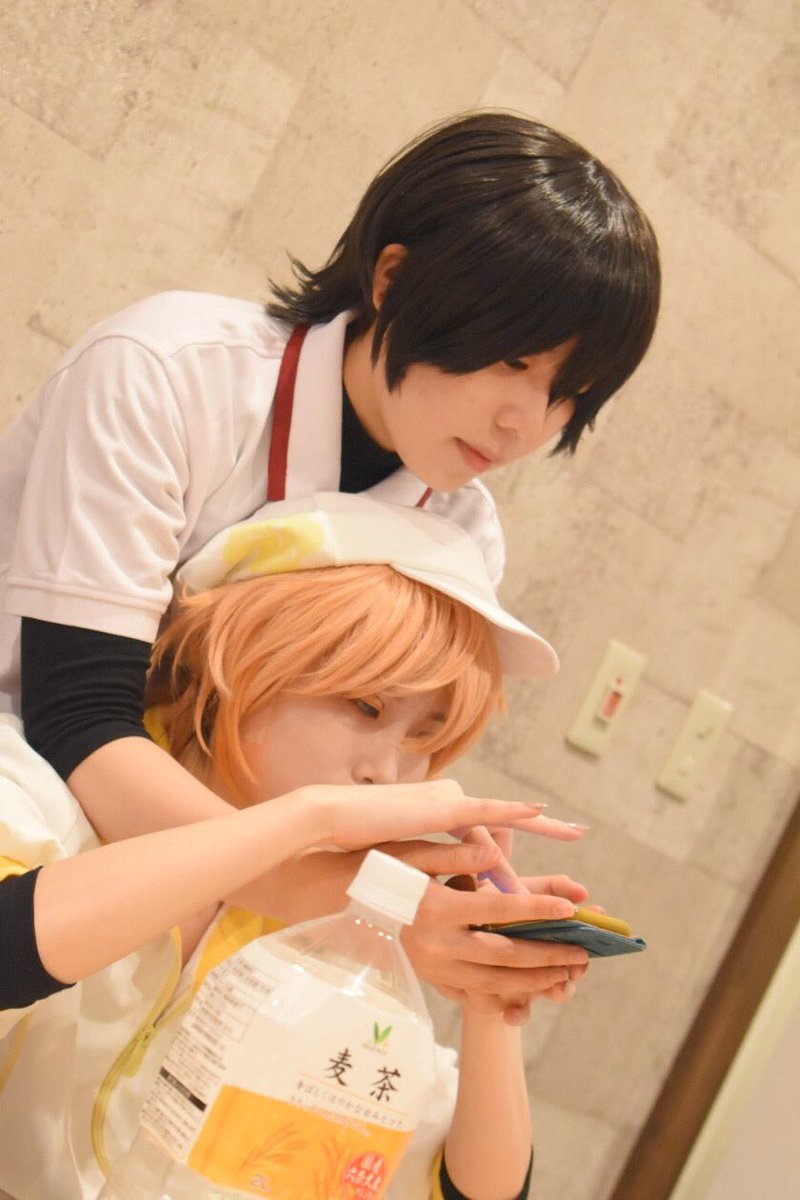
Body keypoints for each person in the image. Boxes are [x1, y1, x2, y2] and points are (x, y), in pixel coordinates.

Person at [0, 110, 659, 1013]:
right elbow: (78, 719)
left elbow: (351, 785)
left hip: (182, 910)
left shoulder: (462, 532)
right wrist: (374, 907)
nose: (525, 424)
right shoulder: (170, 372)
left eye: (568, 394)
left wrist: (448, 895)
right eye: (512, 359)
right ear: (393, 278)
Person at [0, 494, 592, 1200]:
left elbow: (475, 1191)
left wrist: (491, 1001)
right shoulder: (37, 797)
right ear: (242, 651)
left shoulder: (336, 937)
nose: (385, 772)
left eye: (425, 738)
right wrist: (308, 821)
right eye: (365, 706)